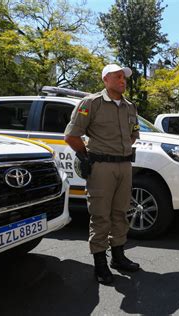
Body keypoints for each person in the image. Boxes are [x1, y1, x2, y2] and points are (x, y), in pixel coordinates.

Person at [64, 64, 140, 285]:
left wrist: (120, 148)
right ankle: (100, 264)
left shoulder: (129, 106)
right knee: (100, 216)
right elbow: (71, 135)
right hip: (102, 168)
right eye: (118, 77)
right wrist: (86, 157)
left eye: (124, 78)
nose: (123, 80)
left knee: (121, 212)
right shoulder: (91, 103)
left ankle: (118, 257)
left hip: (124, 166)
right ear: (106, 79)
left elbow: (133, 134)